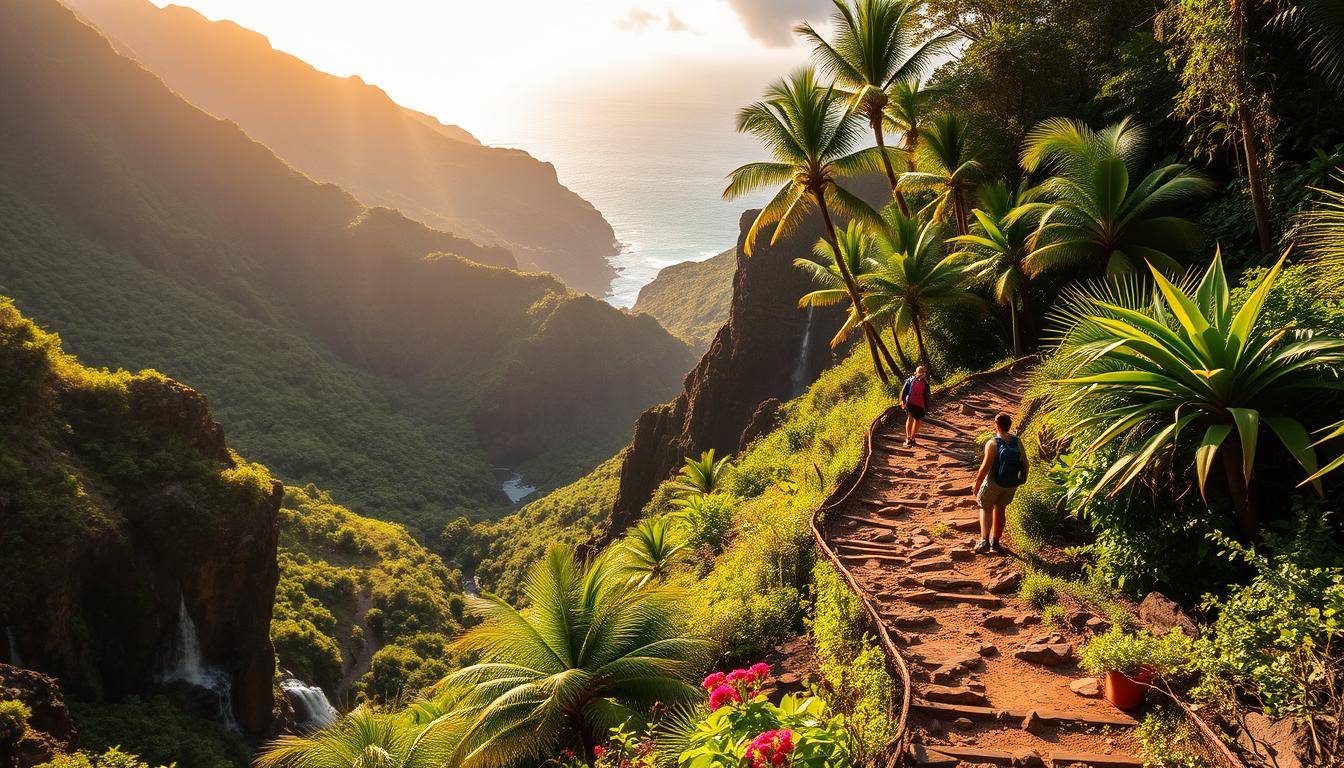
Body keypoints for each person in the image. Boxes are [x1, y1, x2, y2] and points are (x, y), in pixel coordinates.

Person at [971, 412, 1028, 555]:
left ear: (996, 425)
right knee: (1001, 509)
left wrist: (977, 484)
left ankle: (984, 540)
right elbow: (1025, 462)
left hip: (994, 482)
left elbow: (985, 467)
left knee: (985, 507)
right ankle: (995, 542)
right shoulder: (1017, 441)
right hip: (1011, 483)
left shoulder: (993, 443)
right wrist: (1022, 479)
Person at [900, 366, 931, 448]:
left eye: (923, 372)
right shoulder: (910, 380)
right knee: (910, 418)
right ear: (916, 373)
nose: (922, 374)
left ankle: (913, 437)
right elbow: (903, 391)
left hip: (920, 404)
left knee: (918, 420)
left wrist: (926, 406)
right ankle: (908, 437)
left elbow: (927, 396)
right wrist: (903, 401)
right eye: (920, 372)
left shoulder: (926, 383)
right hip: (910, 402)